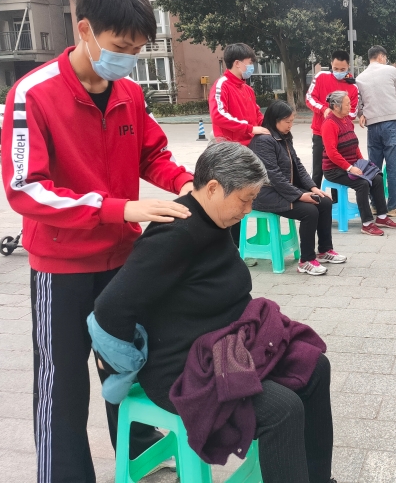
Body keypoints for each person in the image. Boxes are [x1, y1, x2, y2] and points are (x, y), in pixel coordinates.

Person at [0, 0, 195, 483]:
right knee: (62, 381)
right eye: (120, 47)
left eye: (136, 50)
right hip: (62, 266)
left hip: (123, 262)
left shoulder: (128, 93)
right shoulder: (34, 93)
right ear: (84, 29)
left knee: (127, 364)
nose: (127, 59)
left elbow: (153, 154)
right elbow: (25, 188)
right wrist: (119, 209)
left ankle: (138, 453)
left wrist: (188, 183)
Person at [91, 142, 337, 483]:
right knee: (282, 409)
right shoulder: (176, 232)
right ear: (212, 188)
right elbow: (110, 308)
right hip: (183, 368)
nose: (248, 210)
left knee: (315, 367)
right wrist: (125, 366)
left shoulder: (214, 218)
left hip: (231, 345)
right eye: (245, 199)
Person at [249, 101, 347, 275]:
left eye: (292, 121)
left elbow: (298, 166)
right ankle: (306, 260)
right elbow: (273, 175)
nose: (290, 125)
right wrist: (300, 196)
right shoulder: (264, 141)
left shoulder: (283, 136)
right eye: (287, 121)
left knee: (324, 202)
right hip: (265, 193)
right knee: (309, 211)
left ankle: (325, 250)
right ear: (275, 120)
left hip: (283, 189)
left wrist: (313, 188)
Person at [209, 42, 269, 257]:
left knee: (242, 201)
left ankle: (236, 250)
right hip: (229, 152)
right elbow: (219, 115)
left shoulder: (247, 89)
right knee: (229, 202)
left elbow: (257, 115)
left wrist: (270, 127)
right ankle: (228, 251)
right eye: (249, 62)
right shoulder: (222, 85)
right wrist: (249, 128)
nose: (251, 67)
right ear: (237, 63)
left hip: (248, 151)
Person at [321, 91, 396, 236]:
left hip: (351, 165)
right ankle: (367, 223)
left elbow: (354, 145)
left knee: (377, 178)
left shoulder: (346, 120)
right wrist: (350, 168)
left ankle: (382, 216)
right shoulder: (329, 124)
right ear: (336, 107)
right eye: (347, 104)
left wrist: (362, 163)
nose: (350, 107)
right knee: (362, 183)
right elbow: (332, 153)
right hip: (334, 170)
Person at [355, 45, 396, 216]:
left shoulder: (360, 78)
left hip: (372, 125)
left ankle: (375, 205)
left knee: (374, 167)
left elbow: (358, 103)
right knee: (394, 167)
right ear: (381, 57)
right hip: (391, 122)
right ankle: (392, 206)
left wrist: (363, 114)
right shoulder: (391, 71)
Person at [305, 51, 360, 188]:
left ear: (348, 66)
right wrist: (324, 109)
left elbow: (353, 112)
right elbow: (309, 98)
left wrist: (336, 114)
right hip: (320, 133)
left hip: (342, 136)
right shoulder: (321, 77)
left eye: (342, 69)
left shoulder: (353, 87)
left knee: (338, 171)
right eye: (335, 68)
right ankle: (315, 198)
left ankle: (337, 200)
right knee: (317, 170)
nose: (338, 72)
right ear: (331, 64)